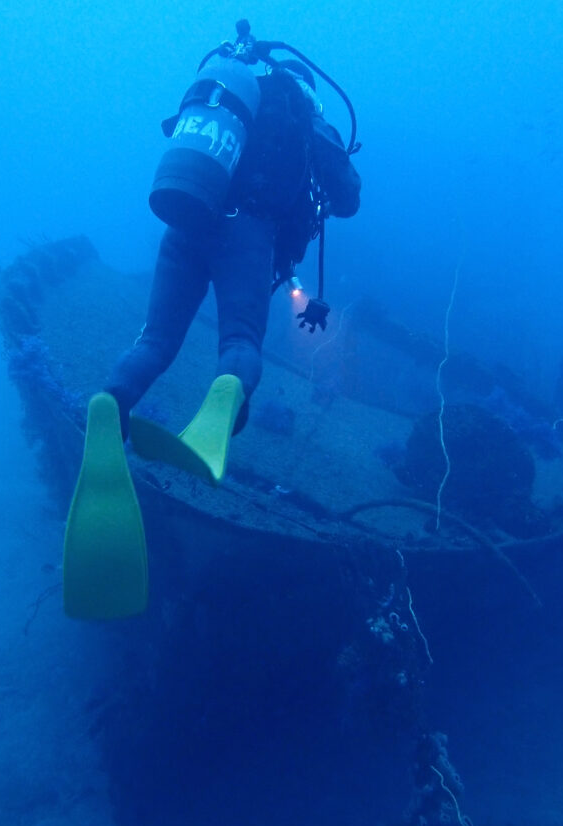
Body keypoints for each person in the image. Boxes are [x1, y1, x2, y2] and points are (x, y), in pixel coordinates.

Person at [63, 41, 361, 620]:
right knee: (239, 343)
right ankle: (226, 396)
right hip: (247, 233)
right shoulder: (304, 115)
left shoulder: (226, 103)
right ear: (305, 85)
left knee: (154, 341)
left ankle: (112, 402)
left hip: (188, 220)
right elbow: (347, 200)